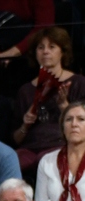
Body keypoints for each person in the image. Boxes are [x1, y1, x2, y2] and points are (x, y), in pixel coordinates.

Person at [14, 28, 85, 175]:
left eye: (52, 47)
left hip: (60, 144)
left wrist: (64, 107)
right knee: (11, 160)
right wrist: (25, 125)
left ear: (62, 52)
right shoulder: (26, 90)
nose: (45, 51)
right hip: (30, 147)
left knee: (45, 160)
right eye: (40, 47)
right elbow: (16, 138)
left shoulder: (78, 83)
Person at [35, 102, 85, 201]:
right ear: (62, 127)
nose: (74, 124)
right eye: (69, 119)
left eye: (81, 119)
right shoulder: (47, 161)